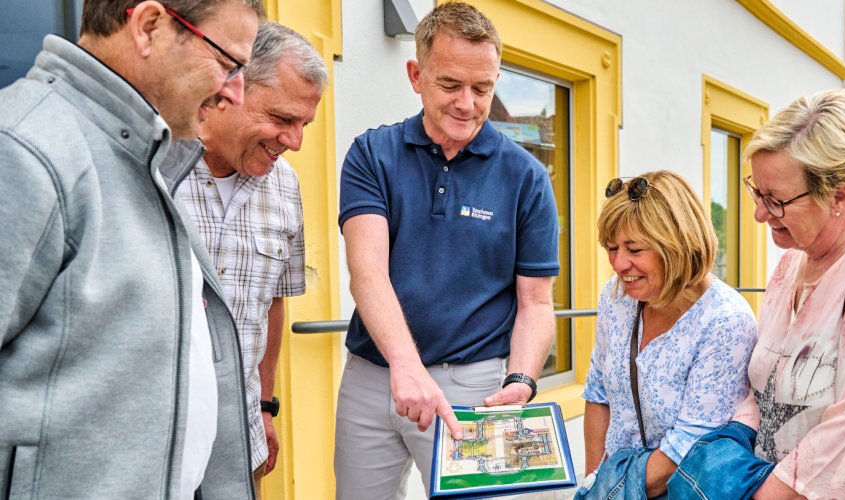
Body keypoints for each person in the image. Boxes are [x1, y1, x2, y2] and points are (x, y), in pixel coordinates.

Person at [0, 1, 264, 498]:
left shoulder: (144, 158)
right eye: (229, 64)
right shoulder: (24, 150)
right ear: (148, 27)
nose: (236, 92)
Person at [334, 2, 560, 498]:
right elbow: (367, 271)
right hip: (373, 378)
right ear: (416, 75)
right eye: (451, 85)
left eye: (483, 88)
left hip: (473, 389)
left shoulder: (527, 178)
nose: (468, 103)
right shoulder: (372, 155)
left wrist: (522, 379)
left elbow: (536, 303)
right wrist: (405, 367)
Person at [669, 88, 845, 499]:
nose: (760, 214)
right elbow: (762, 386)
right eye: (757, 193)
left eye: (775, 201)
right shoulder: (792, 261)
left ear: (838, 196)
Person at [175, 20, 326, 488]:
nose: (295, 142)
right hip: (161, 443)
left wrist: (265, 406)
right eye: (282, 119)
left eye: (304, 125)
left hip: (239, 442)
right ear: (229, 86)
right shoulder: (156, 166)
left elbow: (273, 303)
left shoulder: (285, 186)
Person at [579, 171, 758, 498]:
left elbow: (687, 452)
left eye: (634, 249)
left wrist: (606, 491)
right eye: (611, 248)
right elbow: (598, 392)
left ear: (677, 244)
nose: (619, 264)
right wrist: (594, 477)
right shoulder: (616, 296)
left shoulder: (724, 320)